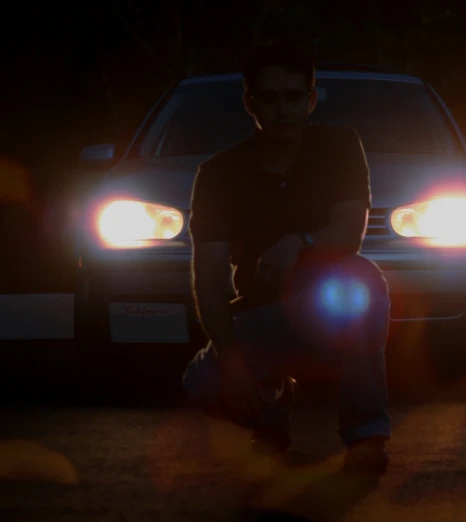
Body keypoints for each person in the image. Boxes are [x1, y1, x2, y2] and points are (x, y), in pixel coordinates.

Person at [181, 41, 391, 475]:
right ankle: (270, 419)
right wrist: (233, 361)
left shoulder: (340, 147)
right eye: (270, 98)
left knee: (363, 280)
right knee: (203, 383)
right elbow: (208, 279)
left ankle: (366, 434)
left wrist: (300, 241)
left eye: (294, 97)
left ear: (310, 100)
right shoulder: (218, 174)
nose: (283, 109)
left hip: (328, 308)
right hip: (262, 314)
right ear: (249, 102)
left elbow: (349, 234)